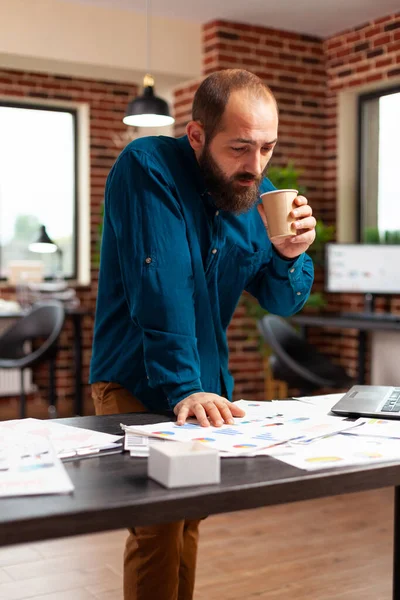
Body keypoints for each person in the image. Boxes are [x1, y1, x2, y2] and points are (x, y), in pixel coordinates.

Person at [90, 68, 315, 600]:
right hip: (136, 376)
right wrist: (183, 386)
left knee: (189, 518)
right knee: (158, 529)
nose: (255, 166)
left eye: (266, 148)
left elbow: (282, 300)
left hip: (204, 387)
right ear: (196, 136)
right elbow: (161, 281)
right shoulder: (147, 166)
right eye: (240, 147)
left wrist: (290, 255)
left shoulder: (248, 199)